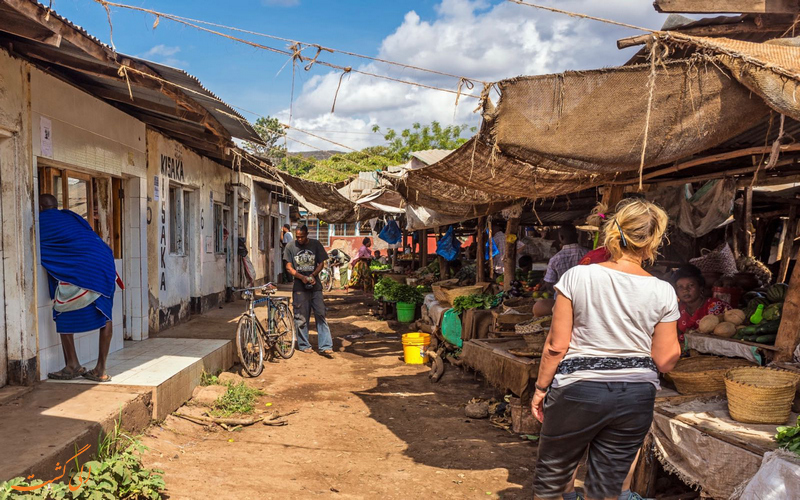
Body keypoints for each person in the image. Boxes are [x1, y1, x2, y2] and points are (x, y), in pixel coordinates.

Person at [531, 199, 682, 500]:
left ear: (614, 232)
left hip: (578, 389)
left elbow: (556, 346)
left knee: (552, 483)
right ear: (653, 241)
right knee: (606, 490)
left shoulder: (578, 276)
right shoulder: (663, 290)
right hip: (635, 395)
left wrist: (539, 389)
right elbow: (665, 360)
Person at [39, 194, 120, 382]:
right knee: (106, 314)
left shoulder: (41, 220)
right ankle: (100, 370)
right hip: (105, 261)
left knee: (61, 308)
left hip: (84, 267)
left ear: (41, 207)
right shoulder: (70, 215)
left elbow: (36, 246)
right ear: (55, 205)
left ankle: (72, 365)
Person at [284, 225, 333, 355]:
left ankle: (326, 345)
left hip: (316, 287)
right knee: (301, 317)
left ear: (307, 234)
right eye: (297, 237)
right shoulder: (290, 247)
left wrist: (312, 275)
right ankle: (304, 344)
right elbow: (288, 267)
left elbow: (321, 263)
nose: (299, 239)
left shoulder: (316, 244)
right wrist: (301, 277)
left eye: (302, 237)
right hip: (299, 288)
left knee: (320, 314)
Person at [673, 264, 731, 343]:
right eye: (680, 287)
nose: (685, 290)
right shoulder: (677, 308)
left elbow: (719, 336)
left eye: (691, 285)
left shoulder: (715, 306)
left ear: (700, 287)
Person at [542, 224, 588, 291]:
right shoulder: (589, 254)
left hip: (563, 298)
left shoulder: (555, 259)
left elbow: (549, 284)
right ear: (577, 236)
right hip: (585, 296)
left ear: (561, 237)